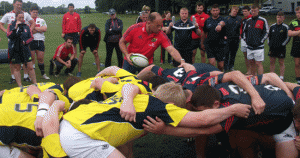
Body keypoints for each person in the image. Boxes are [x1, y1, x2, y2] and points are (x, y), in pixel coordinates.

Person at [46, 81, 251, 157]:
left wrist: (127, 99)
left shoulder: (142, 96)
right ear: (172, 106)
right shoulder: (159, 108)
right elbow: (201, 121)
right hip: (80, 137)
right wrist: (231, 109)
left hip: (68, 124)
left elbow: (124, 85)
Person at [145, 82, 297, 158]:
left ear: (216, 105)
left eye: (202, 112)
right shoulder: (215, 90)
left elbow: (205, 129)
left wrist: (165, 130)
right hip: (263, 118)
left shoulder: (232, 108)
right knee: (240, 141)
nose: (202, 115)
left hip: (284, 125)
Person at [119, 12, 185, 74]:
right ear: (148, 23)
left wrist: (182, 61)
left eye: (161, 26)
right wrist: (127, 54)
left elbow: (171, 50)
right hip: (130, 61)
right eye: (157, 26)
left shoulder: (161, 35)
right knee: (125, 82)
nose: (160, 28)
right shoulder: (135, 28)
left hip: (146, 64)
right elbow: (122, 42)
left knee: (146, 84)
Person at [0, 0, 35, 84]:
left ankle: (26, 76)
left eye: (20, 4)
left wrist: (28, 31)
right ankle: (13, 77)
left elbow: (32, 23)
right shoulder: (8, 15)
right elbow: (1, 24)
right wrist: (7, 32)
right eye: (18, 4)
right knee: (12, 61)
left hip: (23, 42)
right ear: (14, 4)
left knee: (25, 60)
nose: (19, 6)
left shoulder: (25, 14)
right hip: (12, 42)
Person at [7, 11, 37, 87]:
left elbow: (31, 37)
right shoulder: (11, 25)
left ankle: (35, 83)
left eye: (22, 17)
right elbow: (9, 36)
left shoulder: (26, 26)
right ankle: (20, 85)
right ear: (16, 17)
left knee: (30, 67)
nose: (21, 19)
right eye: (20, 17)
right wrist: (15, 28)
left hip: (25, 49)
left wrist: (25, 42)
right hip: (15, 50)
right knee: (17, 68)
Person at [243, 5, 269, 76]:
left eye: (255, 11)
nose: (253, 12)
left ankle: (260, 79)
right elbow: (244, 32)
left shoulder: (263, 20)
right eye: (252, 11)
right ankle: (253, 78)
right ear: (251, 11)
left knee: (258, 63)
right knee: (251, 63)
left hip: (259, 47)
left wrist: (261, 41)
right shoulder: (248, 21)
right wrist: (246, 40)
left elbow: (267, 32)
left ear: (258, 11)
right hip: (249, 46)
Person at [201, 4, 226, 71]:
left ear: (219, 11)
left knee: (221, 65)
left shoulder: (222, 19)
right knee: (212, 63)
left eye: (216, 10)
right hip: (210, 45)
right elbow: (204, 32)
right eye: (213, 10)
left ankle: (220, 76)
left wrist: (220, 25)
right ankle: (213, 77)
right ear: (211, 11)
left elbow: (223, 23)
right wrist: (202, 43)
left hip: (220, 45)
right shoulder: (208, 20)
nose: (215, 12)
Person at [29, 6, 50, 80]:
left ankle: (43, 74)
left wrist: (34, 28)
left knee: (40, 58)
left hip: (40, 41)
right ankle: (31, 76)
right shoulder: (27, 20)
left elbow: (44, 29)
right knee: (31, 59)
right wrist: (39, 29)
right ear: (30, 12)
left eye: (36, 12)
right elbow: (28, 31)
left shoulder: (41, 20)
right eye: (33, 12)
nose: (35, 13)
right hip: (31, 41)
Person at [268, 12, 290, 81]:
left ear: (283, 18)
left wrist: (283, 44)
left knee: (281, 62)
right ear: (276, 17)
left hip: (281, 48)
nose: (279, 18)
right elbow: (269, 36)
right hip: (272, 47)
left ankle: (281, 77)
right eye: (278, 17)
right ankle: (272, 75)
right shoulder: (272, 26)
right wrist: (269, 43)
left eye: (280, 17)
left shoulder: (285, 27)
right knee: (272, 62)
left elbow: (288, 37)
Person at [224, 6, 242, 72]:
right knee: (226, 53)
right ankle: (225, 67)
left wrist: (240, 35)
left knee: (233, 54)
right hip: (227, 39)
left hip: (236, 39)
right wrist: (224, 35)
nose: (235, 13)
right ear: (231, 10)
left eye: (236, 12)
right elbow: (223, 28)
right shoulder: (226, 18)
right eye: (234, 11)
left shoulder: (239, 19)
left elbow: (241, 28)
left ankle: (231, 66)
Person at [288, 7, 300, 85]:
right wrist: (298, 32)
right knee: (297, 64)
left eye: (299, 12)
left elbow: (293, 33)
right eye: (297, 13)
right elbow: (289, 33)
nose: (298, 14)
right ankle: (298, 79)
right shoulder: (293, 22)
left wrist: (295, 32)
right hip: (296, 45)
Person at [240, 6, 252, 75]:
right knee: (246, 56)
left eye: (246, 11)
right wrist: (241, 35)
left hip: (250, 40)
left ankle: (252, 71)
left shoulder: (252, 19)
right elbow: (241, 28)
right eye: (243, 11)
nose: (244, 13)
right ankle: (248, 70)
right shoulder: (243, 20)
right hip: (243, 40)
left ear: (249, 11)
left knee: (251, 56)